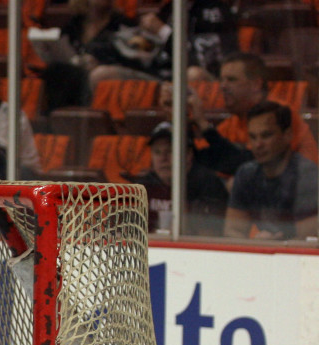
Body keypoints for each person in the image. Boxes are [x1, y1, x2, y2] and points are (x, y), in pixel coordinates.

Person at [188, 52, 319, 177]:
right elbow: (201, 158)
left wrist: (203, 124)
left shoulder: (277, 113)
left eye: (231, 80)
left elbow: (248, 165)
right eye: (221, 80)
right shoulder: (234, 121)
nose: (223, 86)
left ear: (256, 84)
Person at [224, 101, 319, 241]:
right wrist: (256, 246)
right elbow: (232, 231)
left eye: (266, 135)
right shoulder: (246, 174)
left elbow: (306, 240)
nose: (258, 144)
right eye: (253, 137)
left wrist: (269, 247)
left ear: (287, 135)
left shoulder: (307, 175)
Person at [133, 121, 228, 236]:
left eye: (170, 151)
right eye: (157, 152)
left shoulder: (208, 184)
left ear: (188, 154)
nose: (163, 158)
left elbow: (211, 236)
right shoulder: (144, 187)